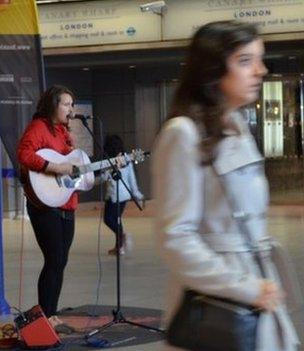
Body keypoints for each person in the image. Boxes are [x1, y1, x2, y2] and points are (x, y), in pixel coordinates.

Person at [152, 21, 300, 350]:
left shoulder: (236, 126)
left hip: (256, 285)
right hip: (218, 303)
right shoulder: (183, 133)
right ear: (212, 69)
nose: (260, 70)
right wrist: (245, 287)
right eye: (245, 61)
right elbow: (176, 238)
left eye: (259, 59)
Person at [17, 85, 79, 332]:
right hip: (44, 205)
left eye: (72, 105)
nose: (71, 109)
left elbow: (71, 167)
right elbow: (24, 154)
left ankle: (52, 313)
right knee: (53, 259)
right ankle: (47, 315)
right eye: (66, 104)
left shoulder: (64, 132)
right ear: (53, 105)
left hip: (67, 203)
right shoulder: (39, 127)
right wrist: (54, 168)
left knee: (61, 261)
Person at [101, 134, 143, 255]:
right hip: (125, 196)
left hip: (114, 197)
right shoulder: (127, 160)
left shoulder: (110, 162)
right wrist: (137, 194)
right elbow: (132, 179)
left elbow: (105, 177)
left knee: (108, 220)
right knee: (117, 220)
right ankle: (119, 248)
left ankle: (123, 236)